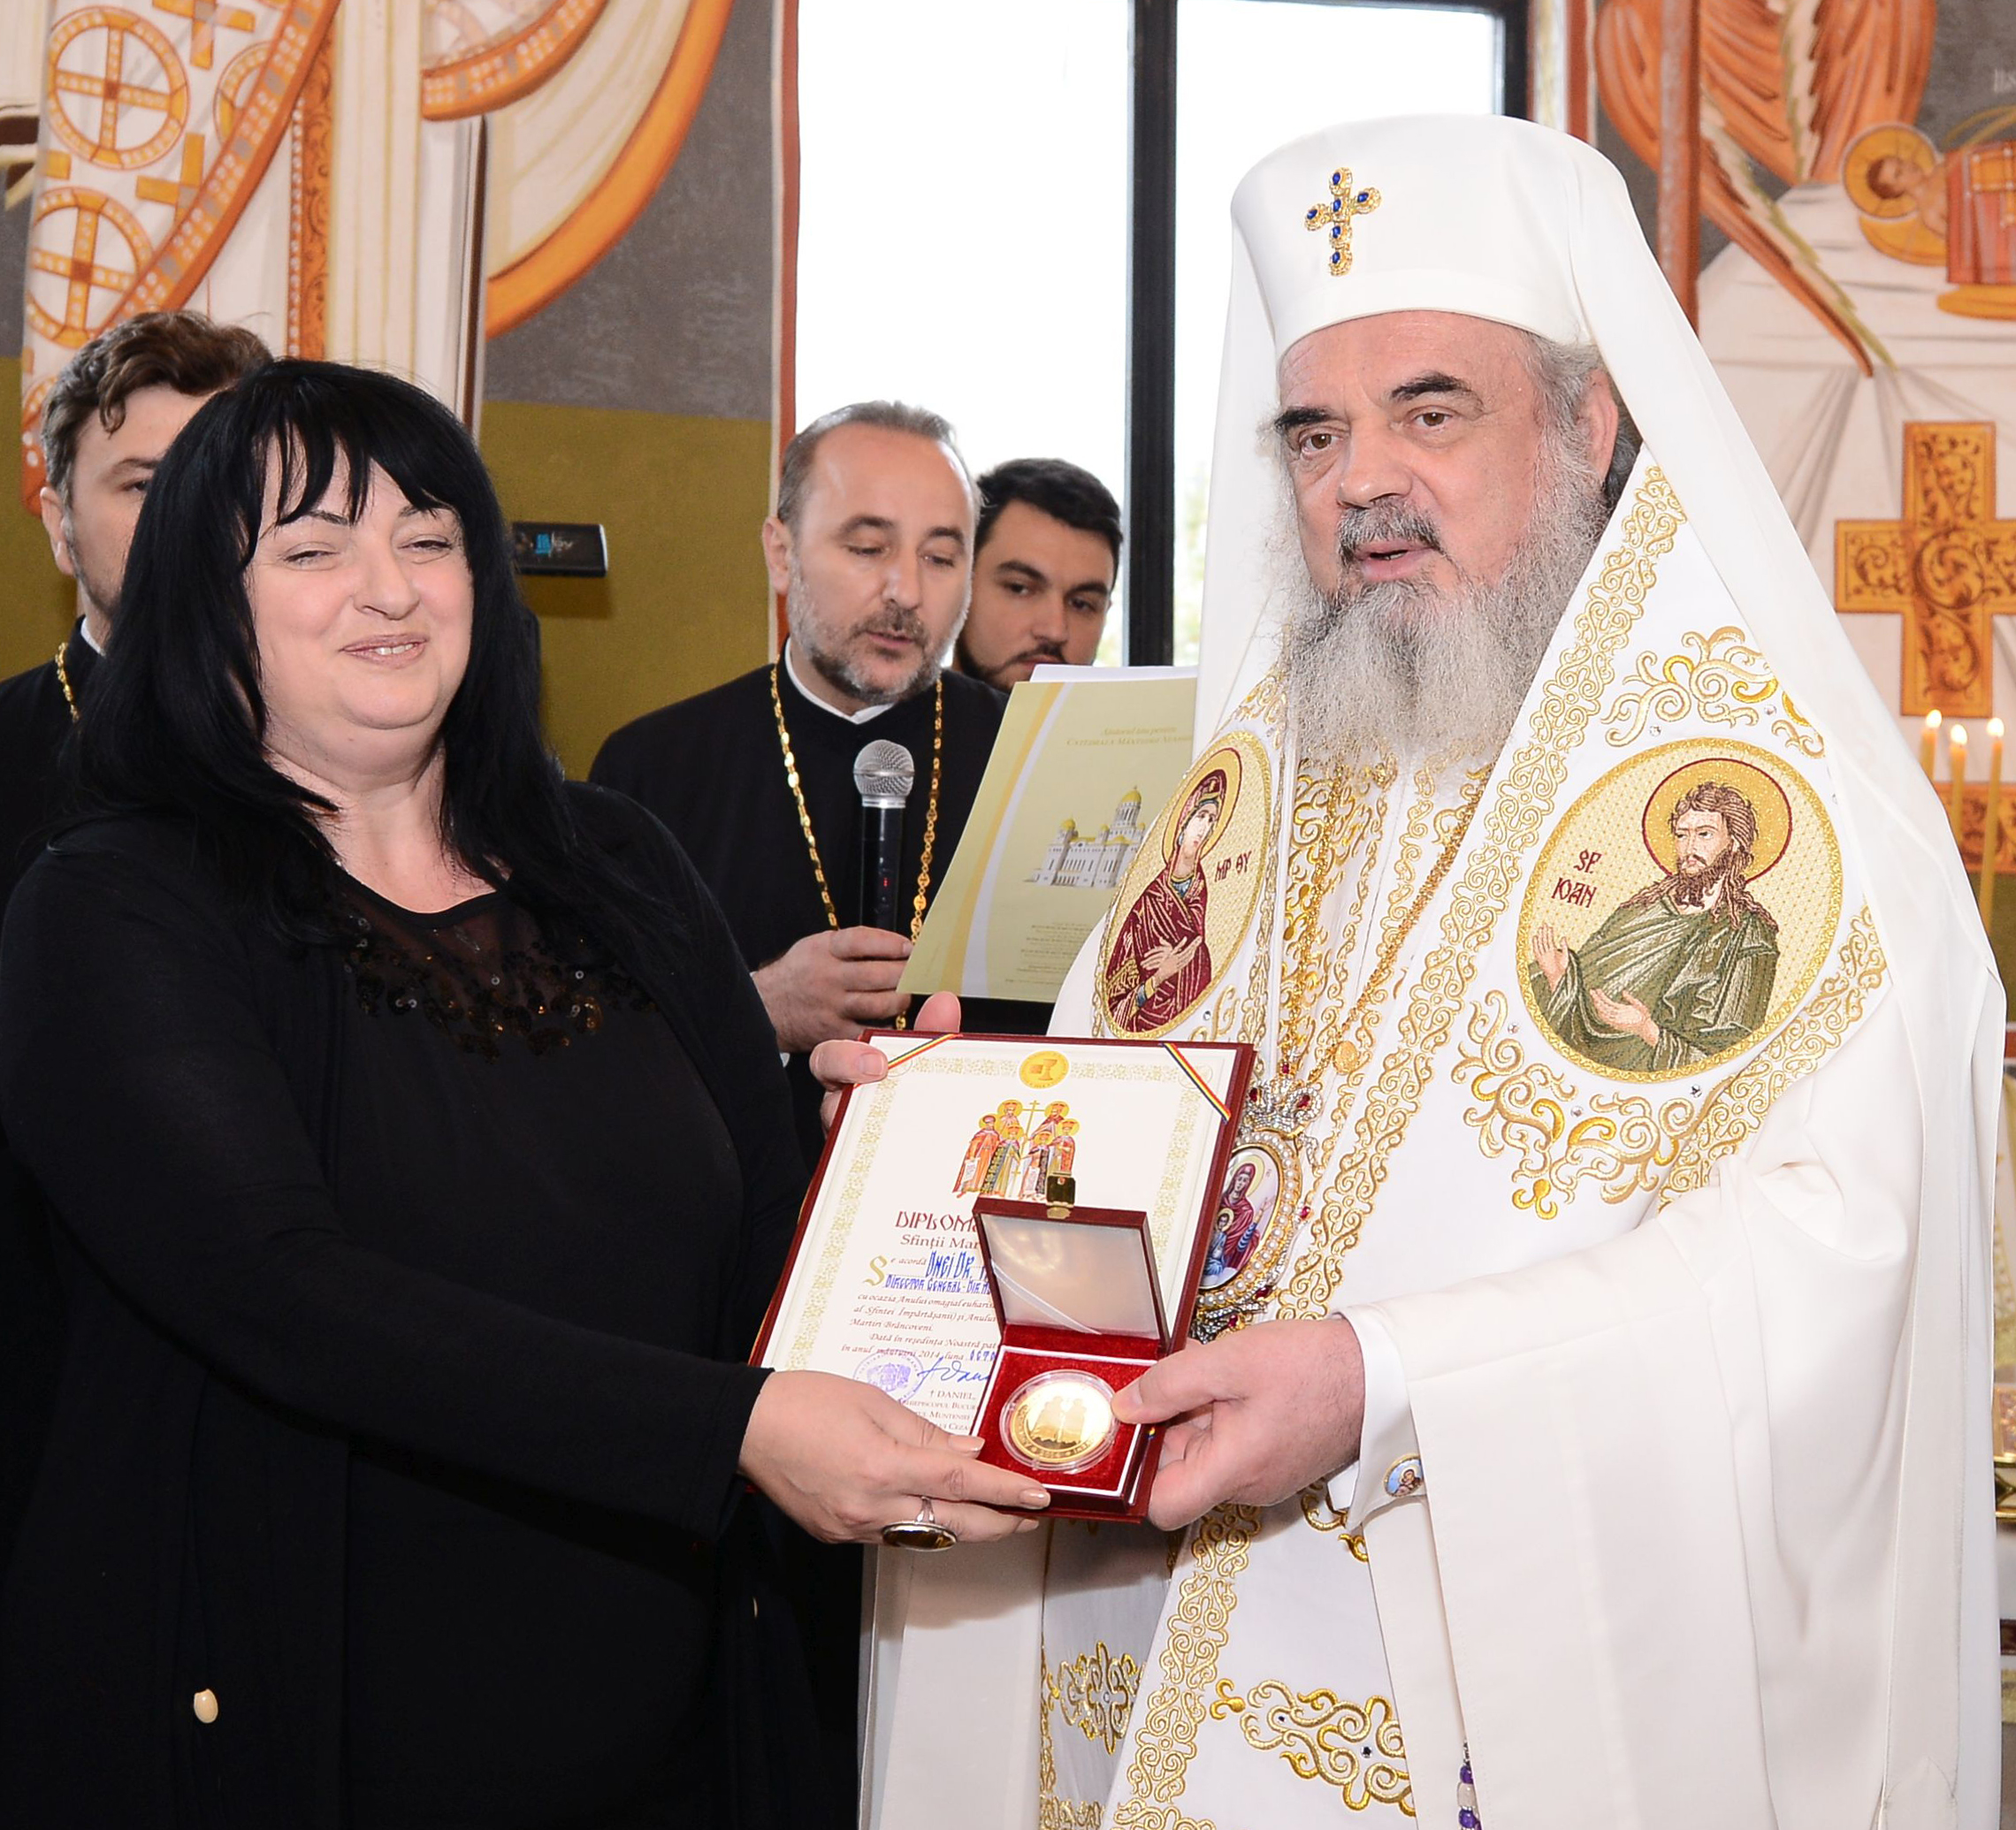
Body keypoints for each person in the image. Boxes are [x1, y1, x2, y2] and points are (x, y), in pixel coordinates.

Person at [843, 116, 1996, 1830]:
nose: (1361, 481)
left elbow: (1825, 1274)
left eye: (1431, 413)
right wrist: (947, 1145)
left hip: (1470, 1697)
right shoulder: (1248, 790)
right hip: (1139, 1646)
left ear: (1589, 427)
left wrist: (1390, 1381)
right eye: (1315, 434)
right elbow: (1109, 1153)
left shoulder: (1795, 814)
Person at [0, 360, 1046, 1827]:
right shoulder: (115, 902)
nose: (389, 588)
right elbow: (284, 1293)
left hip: (674, 1722)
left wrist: (876, 1165)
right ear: (204, 600)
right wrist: (729, 1431)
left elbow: (753, 1217)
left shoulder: (610, 858)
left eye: (428, 538)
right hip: (306, 1725)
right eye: (312, 548)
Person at [591, 400, 1045, 1168]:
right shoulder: (652, 768)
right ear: (781, 553)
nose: (906, 590)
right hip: (736, 1210)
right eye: (868, 548)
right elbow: (592, 1060)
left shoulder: (1030, 755)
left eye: (941, 558)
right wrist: (757, 1008)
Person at [0, 309, 270, 1589]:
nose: (185, 519)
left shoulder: (370, 755)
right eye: (143, 483)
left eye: (220, 479)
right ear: (60, 523)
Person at [953, 457, 1122, 692]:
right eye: (1019, 588)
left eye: (1081, 604)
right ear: (959, 587)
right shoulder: (899, 713)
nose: (1055, 631)